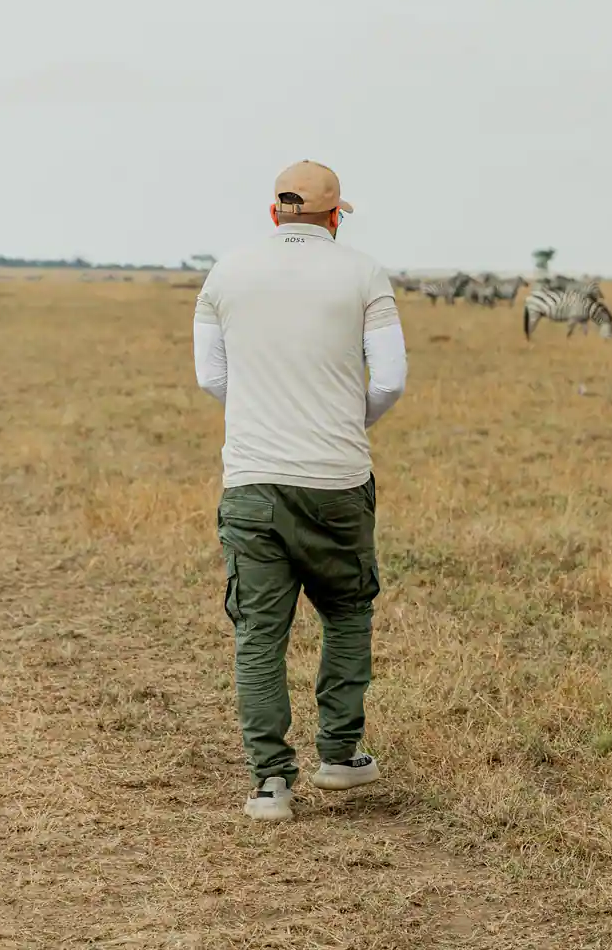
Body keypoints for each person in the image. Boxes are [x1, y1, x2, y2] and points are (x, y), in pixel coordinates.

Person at [192, 161, 408, 821]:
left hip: (253, 482)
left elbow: (210, 377)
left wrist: (264, 420)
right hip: (337, 478)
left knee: (259, 632)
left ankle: (270, 785)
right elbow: (391, 379)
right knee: (347, 611)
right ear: (336, 217)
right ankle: (340, 755)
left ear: (274, 213)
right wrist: (343, 420)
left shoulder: (225, 273)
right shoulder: (364, 272)